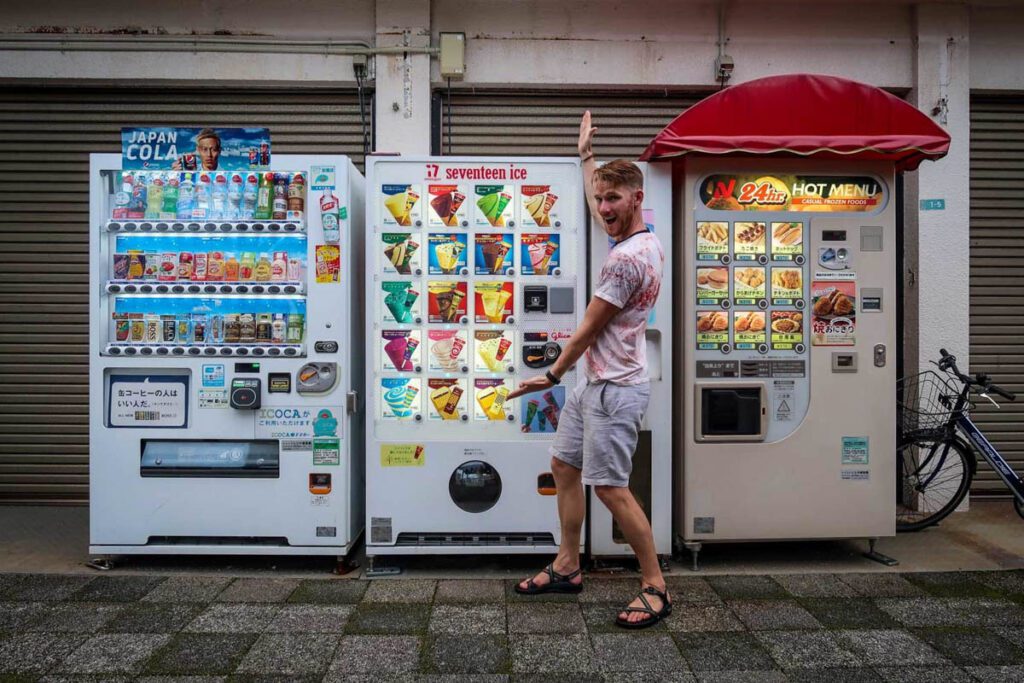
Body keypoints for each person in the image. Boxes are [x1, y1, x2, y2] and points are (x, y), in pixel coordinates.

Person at [508, 110, 670, 628]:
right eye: (600, 199)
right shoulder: (636, 239)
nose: (602, 208)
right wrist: (586, 158)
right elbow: (594, 197)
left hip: (613, 389)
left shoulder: (625, 260)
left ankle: (655, 585)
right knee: (564, 469)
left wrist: (551, 376)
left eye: (612, 200)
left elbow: (586, 330)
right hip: (593, 384)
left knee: (611, 488)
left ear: (637, 198)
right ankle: (568, 565)